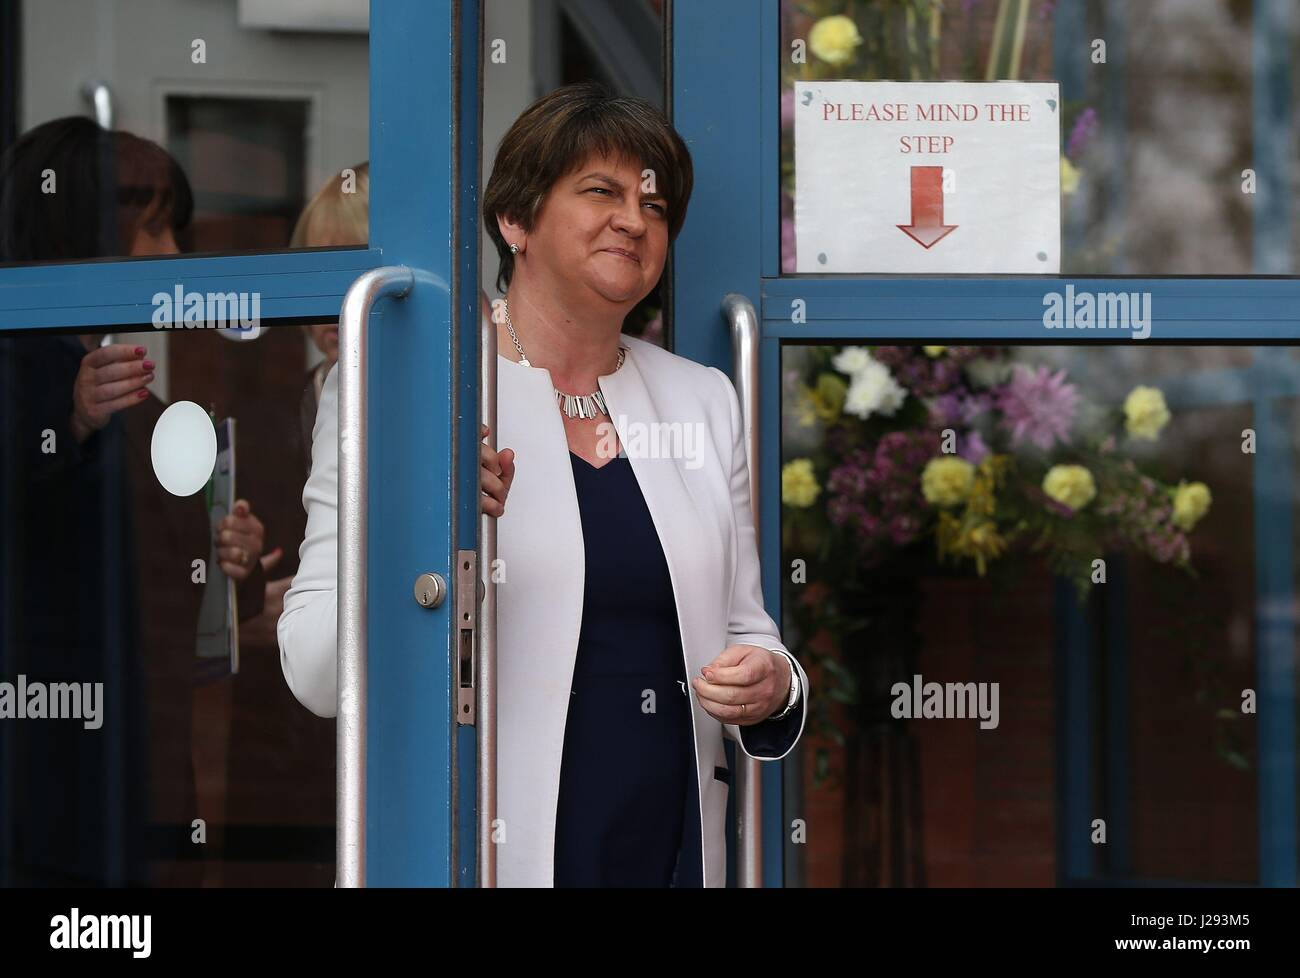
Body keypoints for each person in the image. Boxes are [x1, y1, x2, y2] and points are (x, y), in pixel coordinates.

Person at [278, 81, 808, 887]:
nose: (635, 218)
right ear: (515, 220)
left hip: (668, 854)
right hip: (485, 859)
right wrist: (429, 529)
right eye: (602, 191)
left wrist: (773, 683)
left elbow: (746, 628)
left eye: (656, 205)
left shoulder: (702, 397)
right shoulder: (409, 385)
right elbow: (315, 671)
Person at [0, 117, 269, 884]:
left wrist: (233, 564)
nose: (172, 257)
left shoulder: (137, 408)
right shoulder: (33, 377)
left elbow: (189, 609)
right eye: (149, 231)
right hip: (47, 787)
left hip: (135, 771)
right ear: (79, 233)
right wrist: (69, 425)